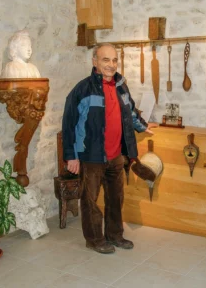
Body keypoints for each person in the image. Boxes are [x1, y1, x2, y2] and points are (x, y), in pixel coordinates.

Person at [62, 43, 157, 254]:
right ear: (95, 61)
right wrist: (71, 156)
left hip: (116, 155)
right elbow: (68, 124)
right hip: (91, 155)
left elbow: (130, 111)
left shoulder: (121, 85)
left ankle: (114, 235)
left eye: (114, 60)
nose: (111, 65)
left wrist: (143, 125)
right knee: (90, 201)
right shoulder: (82, 89)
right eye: (106, 60)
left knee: (116, 198)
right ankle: (94, 240)